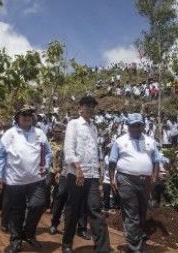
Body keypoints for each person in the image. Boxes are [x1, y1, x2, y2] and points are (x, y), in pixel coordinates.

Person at [0, 105, 52, 253]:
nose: (26, 117)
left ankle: (29, 234)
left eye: (29, 115)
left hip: (36, 179)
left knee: (38, 205)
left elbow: (47, 153)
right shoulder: (9, 135)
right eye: (23, 114)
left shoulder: (39, 133)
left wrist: (47, 166)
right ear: (18, 118)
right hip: (14, 181)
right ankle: (16, 240)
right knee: (16, 212)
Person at [62, 96, 110, 253]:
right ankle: (67, 243)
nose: (90, 108)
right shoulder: (73, 124)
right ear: (81, 107)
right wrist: (77, 168)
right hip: (77, 175)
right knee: (73, 209)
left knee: (95, 209)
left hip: (92, 176)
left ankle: (103, 249)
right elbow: (68, 149)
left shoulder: (93, 128)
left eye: (92, 105)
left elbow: (94, 152)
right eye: (87, 105)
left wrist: (99, 168)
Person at [109, 113, 159, 253]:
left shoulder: (150, 141)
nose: (136, 128)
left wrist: (155, 177)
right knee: (132, 213)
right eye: (133, 125)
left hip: (146, 182)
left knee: (142, 211)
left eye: (139, 125)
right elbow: (112, 162)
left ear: (143, 126)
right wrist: (112, 179)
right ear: (128, 127)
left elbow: (156, 161)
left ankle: (135, 237)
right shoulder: (120, 141)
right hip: (126, 180)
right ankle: (135, 248)